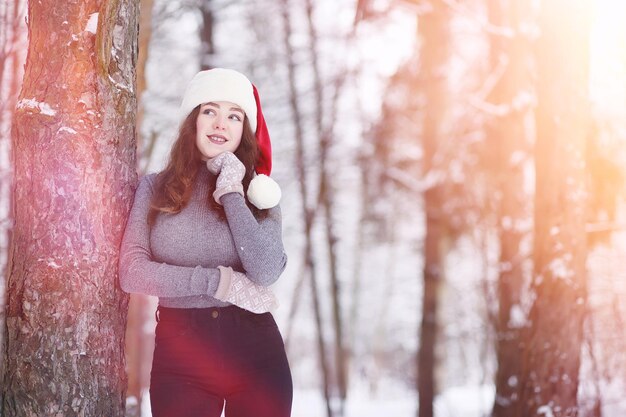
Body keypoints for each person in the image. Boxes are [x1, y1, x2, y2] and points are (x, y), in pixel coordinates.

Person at [119, 68, 292, 417]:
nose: (220, 124)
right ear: (193, 120)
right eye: (210, 110)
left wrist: (231, 191)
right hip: (182, 355)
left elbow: (266, 269)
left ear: (244, 129)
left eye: (234, 116)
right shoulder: (155, 188)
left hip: (256, 353)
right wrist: (217, 282)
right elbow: (132, 272)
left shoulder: (259, 193)